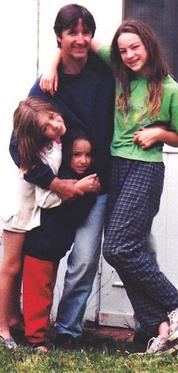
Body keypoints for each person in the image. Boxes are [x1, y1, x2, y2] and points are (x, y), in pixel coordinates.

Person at [41, 19, 178, 354]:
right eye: (123, 50)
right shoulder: (119, 68)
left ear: (149, 46)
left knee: (121, 248)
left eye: (135, 48)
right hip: (117, 167)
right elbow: (76, 44)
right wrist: (51, 64)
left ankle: (176, 303)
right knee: (123, 250)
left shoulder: (170, 90)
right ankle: (162, 328)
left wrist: (158, 134)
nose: (128, 55)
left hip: (145, 168)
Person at [9, 4, 115, 349]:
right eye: (72, 33)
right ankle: (35, 330)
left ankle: (68, 331)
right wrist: (55, 184)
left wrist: (55, 56)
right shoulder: (46, 87)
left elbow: (126, 55)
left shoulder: (104, 74)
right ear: (59, 36)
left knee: (84, 259)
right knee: (41, 257)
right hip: (56, 193)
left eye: (86, 32)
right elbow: (18, 146)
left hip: (94, 184)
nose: (81, 40)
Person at [0, 97, 67, 348]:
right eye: (46, 127)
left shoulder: (51, 143)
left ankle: (16, 318)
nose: (54, 124)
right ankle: (3, 326)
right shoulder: (41, 154)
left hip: (31, 212)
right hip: (19, 212)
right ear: (36, 135)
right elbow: (46, 197)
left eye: (52, 116)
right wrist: (71, 190)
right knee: (11, 267)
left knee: (19, 266)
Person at [23, 128, 97, 352]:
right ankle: (36, 339)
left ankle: (40, 334)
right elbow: (47, 202)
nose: (83, 160)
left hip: (54, 247)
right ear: (67, 155)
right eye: (76, 155)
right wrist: (78, 189)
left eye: (87, 155)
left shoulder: (86, 181)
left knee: (45, 288)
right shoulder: (59, 177)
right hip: (40, 243)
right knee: (39, 291)